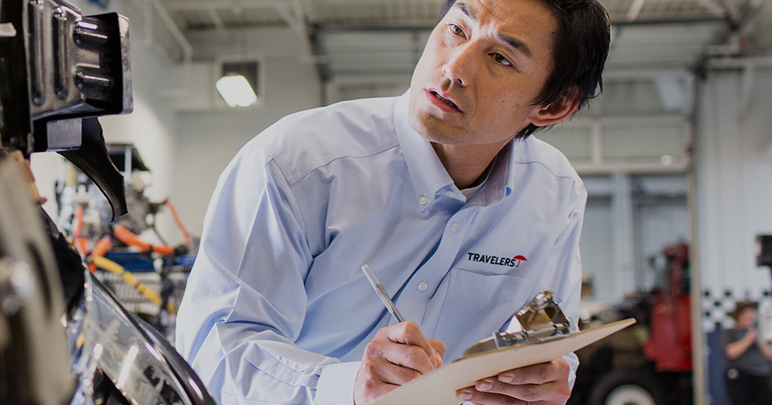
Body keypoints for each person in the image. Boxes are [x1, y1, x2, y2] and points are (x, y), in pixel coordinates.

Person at [172, 0, 610, 404]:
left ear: (554, 104)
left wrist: (547, 379)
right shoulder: (297, 165)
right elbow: (213, 353)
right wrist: (348, 388)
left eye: (500, 58)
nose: (454, 67)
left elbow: (546, 340)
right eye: (457, 29)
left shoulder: (555, 195)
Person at [723, 301, 772, 405]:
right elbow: (730, 352)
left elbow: (769, 354)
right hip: (741, 374)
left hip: (761, 373)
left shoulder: (760, 332)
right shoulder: (731, 332)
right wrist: (748, 339)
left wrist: (759, 339)